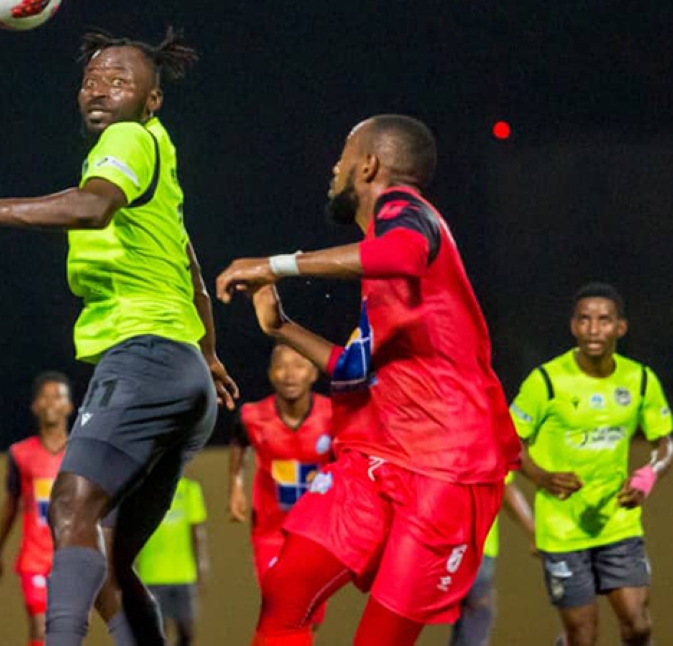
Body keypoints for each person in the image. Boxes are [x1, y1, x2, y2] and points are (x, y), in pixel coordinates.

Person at [0, 28, 237, 646]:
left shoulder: (127, 140)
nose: (100, 89)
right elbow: (191, 264)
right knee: (109, 562)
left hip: (143, 358)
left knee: (68, 508)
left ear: (152, 101)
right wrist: (209, 356)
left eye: (121, 81)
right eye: (92, 79)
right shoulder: (157, 155)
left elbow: (92, 208)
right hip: (181, 374)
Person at [216, 114, 521, 646]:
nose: (334, 167)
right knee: (286, 592)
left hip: (444, 472)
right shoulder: (383, 279)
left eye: (343, 154)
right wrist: (281, 328)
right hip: (377, 462)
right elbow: (354, 369)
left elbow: (401, 254)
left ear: (370, 164)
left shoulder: (406, 212)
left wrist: (276, 264)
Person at [510, 282, 673, 646]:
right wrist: (542, 477)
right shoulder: (547, 382)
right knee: (583, 636)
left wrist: (650, 475)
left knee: (638, 624)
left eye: (603, 320)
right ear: (573, 326)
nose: (593, 329)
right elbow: (506, 442)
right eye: (584, 320)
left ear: (620, 328)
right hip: (563, 528)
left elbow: (664, 444)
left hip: (618, 524)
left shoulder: (640, 380)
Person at [228, 344, 333, 626]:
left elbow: (348, 457)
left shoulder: (332, 415)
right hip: (271, 529)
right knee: (278, 604)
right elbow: (239, 443)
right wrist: (235, 486)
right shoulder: (252, 416)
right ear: (270, 373)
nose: (289, 374)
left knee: (311, 613)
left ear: (313, 372)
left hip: (317, 532)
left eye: (298, 366)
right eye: (281, 366)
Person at [0, 372, 74, 646]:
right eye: (45, 397)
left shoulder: (82, 452)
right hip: (35, 558)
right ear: (35, 405)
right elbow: (11, 503)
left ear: (69, 405)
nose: (51, 403)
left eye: (58, 396)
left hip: (73, 557)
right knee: (40, 627)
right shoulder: (20, 453)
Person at [448, 475, 535, 646]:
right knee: (477, 612)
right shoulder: (491, 448)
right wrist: (533, 532)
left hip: (467, 548)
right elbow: (506, 487)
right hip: (471, 547)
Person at [134, 477, 209, 646]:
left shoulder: (190, 490)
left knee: (187, 631)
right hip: (152, 573)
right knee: (158, 631)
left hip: (184, 573)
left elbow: (197, 531)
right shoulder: (142, 490)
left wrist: (202, 564)